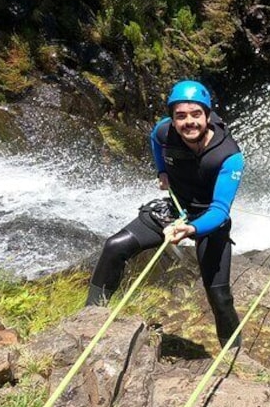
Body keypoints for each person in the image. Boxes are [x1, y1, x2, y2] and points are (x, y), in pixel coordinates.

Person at [85, 79, 245, 348]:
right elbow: (154, 140)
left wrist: (191, 229)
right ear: (172, 119)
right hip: (174, 207)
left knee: (218, 295)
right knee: (114, 247)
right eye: (180, 116)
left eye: (196, 114)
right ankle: (89, 320)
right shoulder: (164, 132)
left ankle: (233, 352)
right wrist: (162, 171)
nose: (188, 122)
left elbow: (219, 210)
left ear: (207, 115)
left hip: (208, 218)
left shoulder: (229, 157)